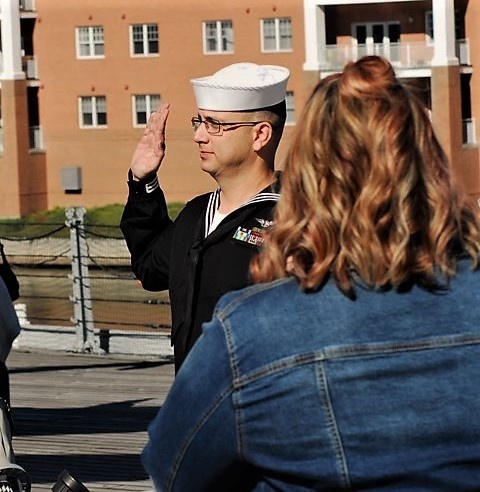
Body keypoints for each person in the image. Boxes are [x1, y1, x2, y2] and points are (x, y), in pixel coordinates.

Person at [141, 56, 480, 490]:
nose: (199, 135)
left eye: (214, 124)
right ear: (430, 162)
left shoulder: (251, 327)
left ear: (309, 167)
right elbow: (151, 262)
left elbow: (173, 468)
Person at [120, 63, 289, 371]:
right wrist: (143, 183)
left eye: (215, 125)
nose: (198, 135)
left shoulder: (295, 220)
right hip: (194, 402)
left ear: (260, 135)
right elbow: (149, 268)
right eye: (199, 122)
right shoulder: (196, 215)